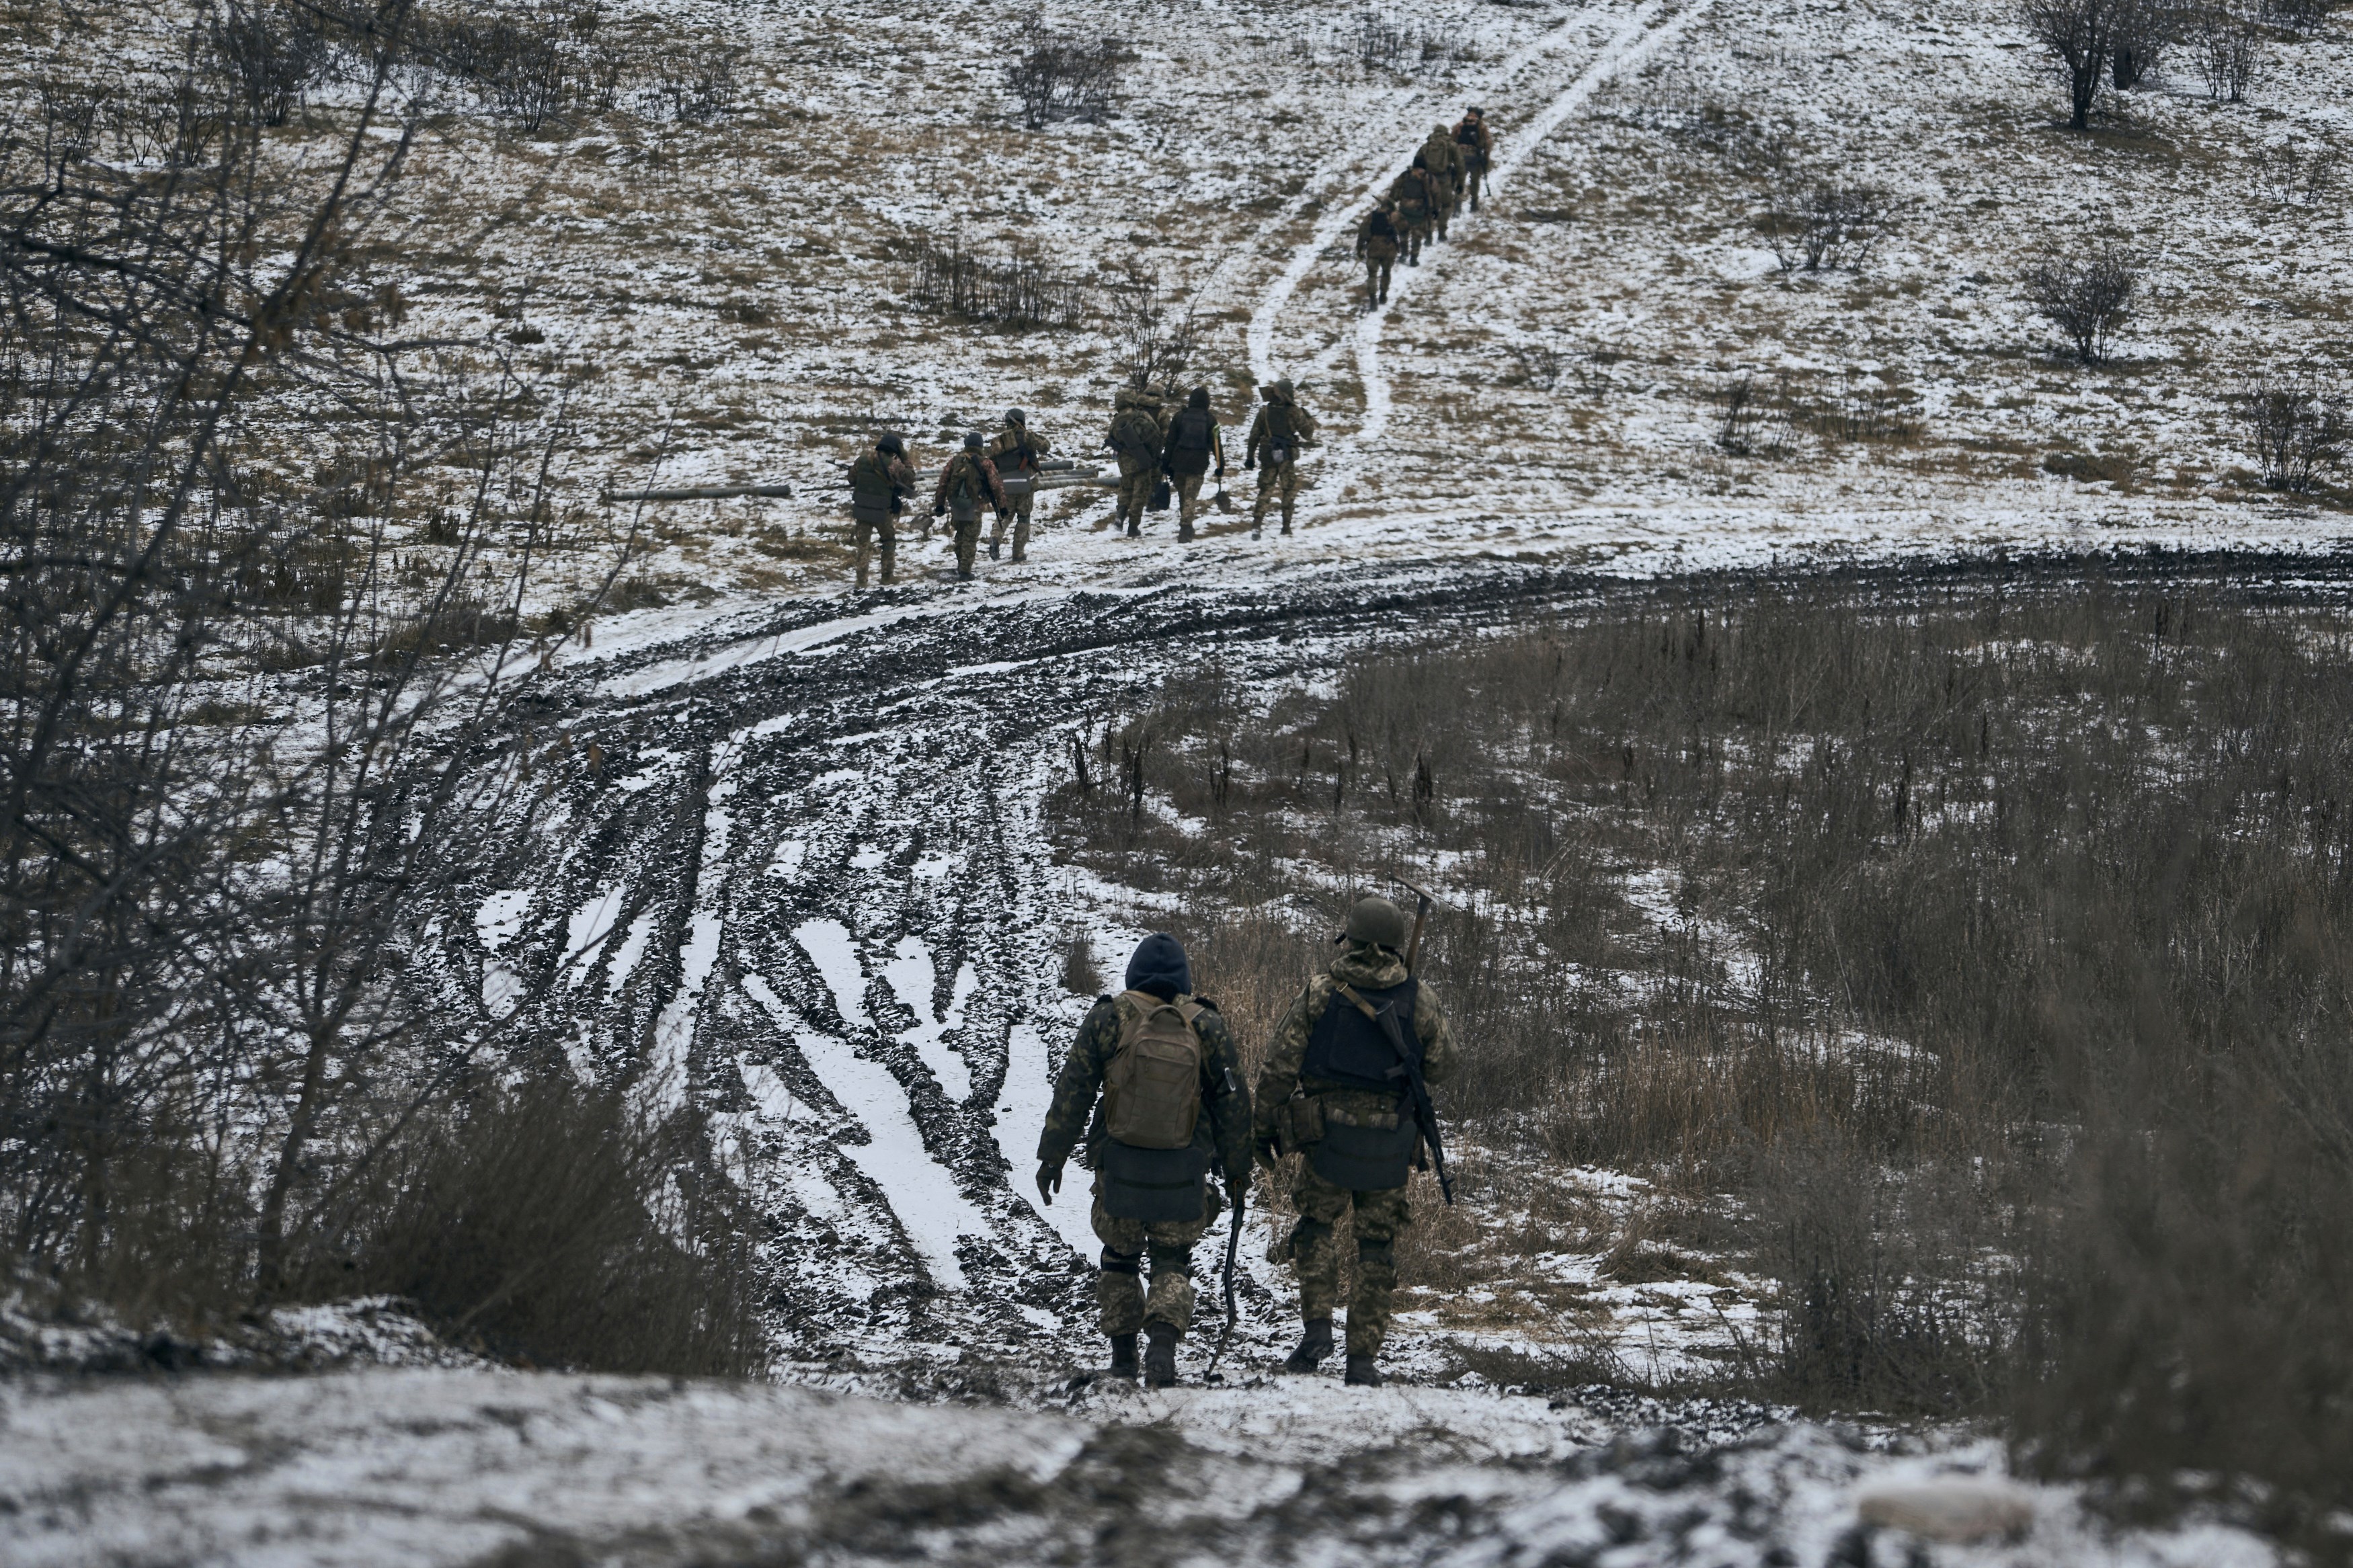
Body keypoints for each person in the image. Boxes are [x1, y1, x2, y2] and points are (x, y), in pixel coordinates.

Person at [1252, 895, 1457, 1387]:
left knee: (1316, 1226)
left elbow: (1280, 1064)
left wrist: (1261, 1128)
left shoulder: (1322, 991)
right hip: (1388, 1144)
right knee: (1376, 1245)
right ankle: (1362, 1358)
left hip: (1327, 1139)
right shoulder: (1418, 995)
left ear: (1352, 937)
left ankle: (1317, 1326)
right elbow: (1444, 1064)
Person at [1036, 934, 1252, 1389]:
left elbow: (1072, 1091)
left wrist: (1052, 1157)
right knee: (1172, 1258)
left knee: (1119, 1257)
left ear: (1133, 973)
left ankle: (1122, 1358)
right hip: (1183, 1167)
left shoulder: (1108, 1017)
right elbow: (1233, 1104)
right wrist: (1237, 1170)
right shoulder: (1205, 1024)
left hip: (1120, 1167)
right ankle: (1162, 1345)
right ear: (1183, 980)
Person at [1242, 378, 1316, 537]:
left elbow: (1254, 435)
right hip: (1287, 457)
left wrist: (1250, 457)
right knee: (1288, 490)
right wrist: (1309, 418)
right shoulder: (1295, 411)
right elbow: (1308, 434)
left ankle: (1257, 525)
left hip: (1268, 455)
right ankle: (1286, 527)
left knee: (1265, 490)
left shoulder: (1265, 411)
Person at [930, 431, 1008, 581]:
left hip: (957, 505)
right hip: (976, 506)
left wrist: (939, 504)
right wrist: (1003, 506)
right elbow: (996, 486)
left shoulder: (955, 461)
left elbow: (943, 483)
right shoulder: (986, 463)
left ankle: (961, 565)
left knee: (960, 535)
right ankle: (965, 571)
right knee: (970, 539)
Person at [846, 432, 913, 590]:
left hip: (861, 508)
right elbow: (910, 478)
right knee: (888, 541)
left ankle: (861, 581)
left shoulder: (863, 459)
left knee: (863, 545)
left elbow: (851, 479)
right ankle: (887, 577)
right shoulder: (894, 464)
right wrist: (906, 458)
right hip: (882, 510)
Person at [985, 409, 1051, 563]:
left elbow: (991, 462)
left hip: (1005, 485)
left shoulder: (998, 441)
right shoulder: (1027, 436)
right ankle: (1018, 553)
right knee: (1024, 518)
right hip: (1025, 485)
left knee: (1005, 516)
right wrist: (1033, 435)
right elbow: (1045, 447)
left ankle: (995, 537)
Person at [1162, 388, 1222, 542]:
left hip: (1179, 462)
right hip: (1198, 463)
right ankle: (1186, 528)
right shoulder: (1210, 420)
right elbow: (1216, 445)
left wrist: (1166, 463)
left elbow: (1170, 442)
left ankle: (1186, 524)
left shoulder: (1179, 417)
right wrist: (1220, 465)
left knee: (1184, 495)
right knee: (1191, 496)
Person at [1105, 388, 1166, 538]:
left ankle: (1119, 518)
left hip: (1124, 464)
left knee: (1126, 490)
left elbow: (1111, 438)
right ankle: (1133, 527)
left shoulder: (1116, 420)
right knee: (1140, 494)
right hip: (1142, 462)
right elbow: (1156, 435)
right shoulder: (1142, 416)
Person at [1389, 157, 1436, 266]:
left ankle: (1404, 254)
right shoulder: (1429, 177)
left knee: (1403, 233)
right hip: (1420, 213)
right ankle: (1414, 259)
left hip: (1404, 210)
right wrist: (1435, 209)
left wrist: (1391, 203)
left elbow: (1395, 189)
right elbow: (1436, 193)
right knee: (1417, 237)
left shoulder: (1405, 175)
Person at [1355, 200, 1401, 311]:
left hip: (1373, 248)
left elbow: (1363, 234)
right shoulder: (1394, 217)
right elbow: (1402, 231)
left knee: (1372, 275)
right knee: (1386, 272)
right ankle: (1383, 295)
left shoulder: (1370, 216)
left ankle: (1373, 299)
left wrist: (1359, 250)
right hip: (1389, 249)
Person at [1421, 123, 1464, 241]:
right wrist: (1460, 183)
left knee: (1429, 207)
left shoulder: (1426, 146)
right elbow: (1460, 165)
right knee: (1446, 206)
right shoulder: (1452, 145)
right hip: (1444, 180)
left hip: (1428, 181)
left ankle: (1429, 235)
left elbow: (1417, 164)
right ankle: (1441, 233)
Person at [1454, 107, 1494, 213]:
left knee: (1460, 182)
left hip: (1460, 158)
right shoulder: (1481, 127)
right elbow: (1488, 143)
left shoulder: (1459, 126)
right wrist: (1486, 158)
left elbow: (1452, 141)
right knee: (1475, 182)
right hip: (1475, 158)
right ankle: (1474, 205)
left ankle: (1457, 207)